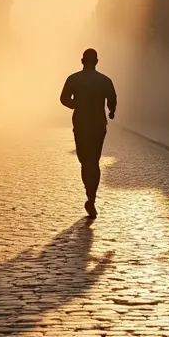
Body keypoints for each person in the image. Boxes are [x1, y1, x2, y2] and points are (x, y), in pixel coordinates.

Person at [59, 48, 117, 219]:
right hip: (99, 124)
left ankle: (89, 193)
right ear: (96, 61)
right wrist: (111, 111)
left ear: (82, 61)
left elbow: (63, 99)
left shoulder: (74, 79)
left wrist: (76, 105)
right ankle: (91, 196)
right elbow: (112, 98)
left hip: (81, 124)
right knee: (94, 160)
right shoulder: (104, 80)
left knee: (85, 161)